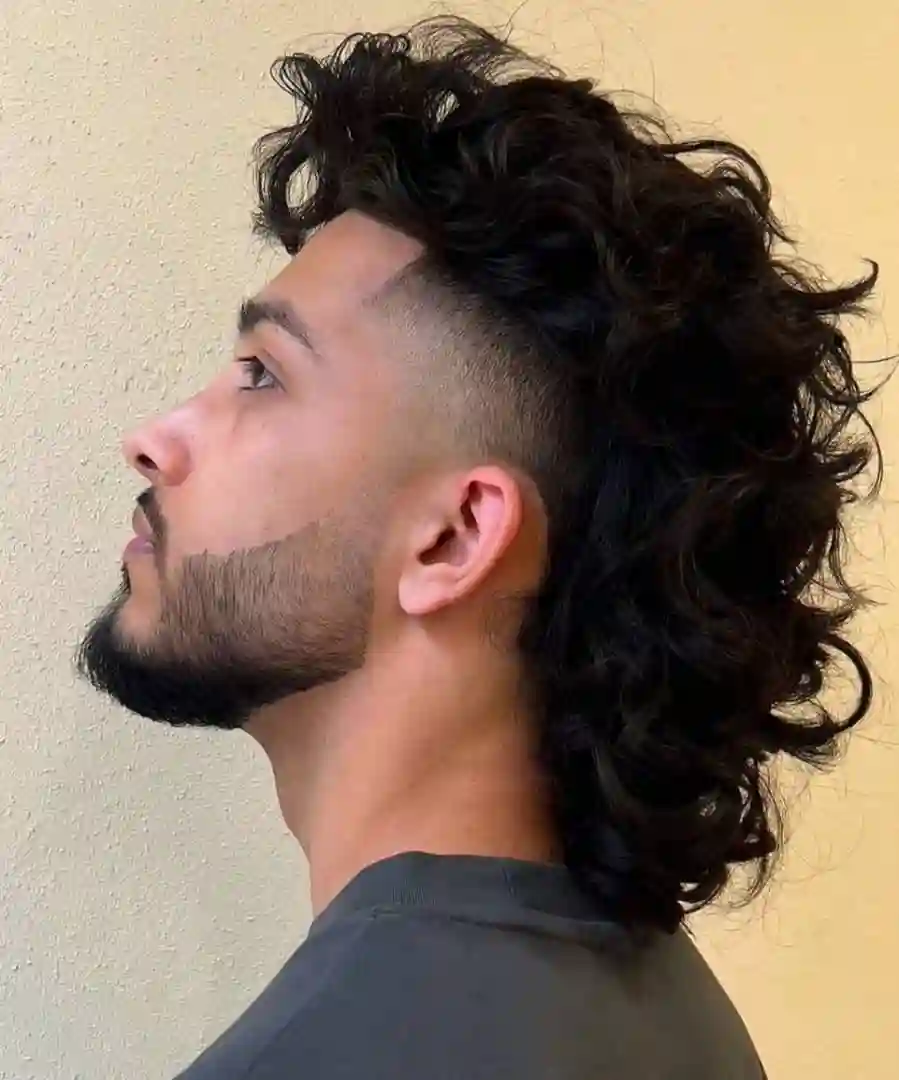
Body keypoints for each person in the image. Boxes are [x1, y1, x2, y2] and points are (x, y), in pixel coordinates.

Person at [76, 15, 886, 1080]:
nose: (156, 439)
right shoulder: (678, 1018)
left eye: (263, 375)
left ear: (455, 538)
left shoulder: (322, 1059)